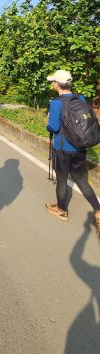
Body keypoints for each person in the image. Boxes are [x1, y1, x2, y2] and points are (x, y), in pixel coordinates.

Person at [45, 69, 100, 234]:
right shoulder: (80, 98)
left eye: (53, 81)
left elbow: (53, 127)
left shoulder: (56, 103)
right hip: (80, 147)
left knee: (62, 179)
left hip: (63, 148)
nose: (52, 83)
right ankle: (98, 209)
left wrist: (48, 120)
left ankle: (61, 209)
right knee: (79, 177)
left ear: (57, 84)